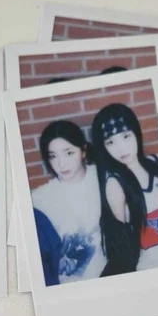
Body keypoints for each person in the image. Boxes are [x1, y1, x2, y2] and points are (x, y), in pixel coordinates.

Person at [91, 103, 158, 275]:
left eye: (126, 136)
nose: (121, 148)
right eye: (110, 142)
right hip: (149, 272)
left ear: (136, 133)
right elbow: (122, 247)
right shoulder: (115, 184)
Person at [30, 121, 106, 285]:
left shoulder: (103, 178)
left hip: (111, 276)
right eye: (53, 156)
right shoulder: (39, 199)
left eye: (69, 153)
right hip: (69, 286)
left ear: (83, 151)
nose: (61, 164)